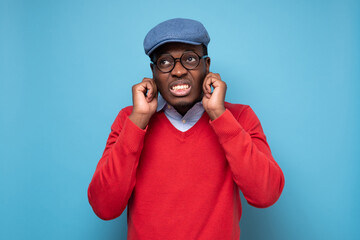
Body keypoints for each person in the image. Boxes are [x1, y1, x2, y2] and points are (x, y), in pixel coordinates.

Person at [88, 18, 285, 240]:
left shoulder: (239, 117)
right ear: (153, 72)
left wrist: (219, 116)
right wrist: (139, 120)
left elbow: (266, 194)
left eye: (190, 59)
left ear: (207, 66)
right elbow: (104, 207)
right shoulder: (129, 120)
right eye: (165, 62)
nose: (179, 71)